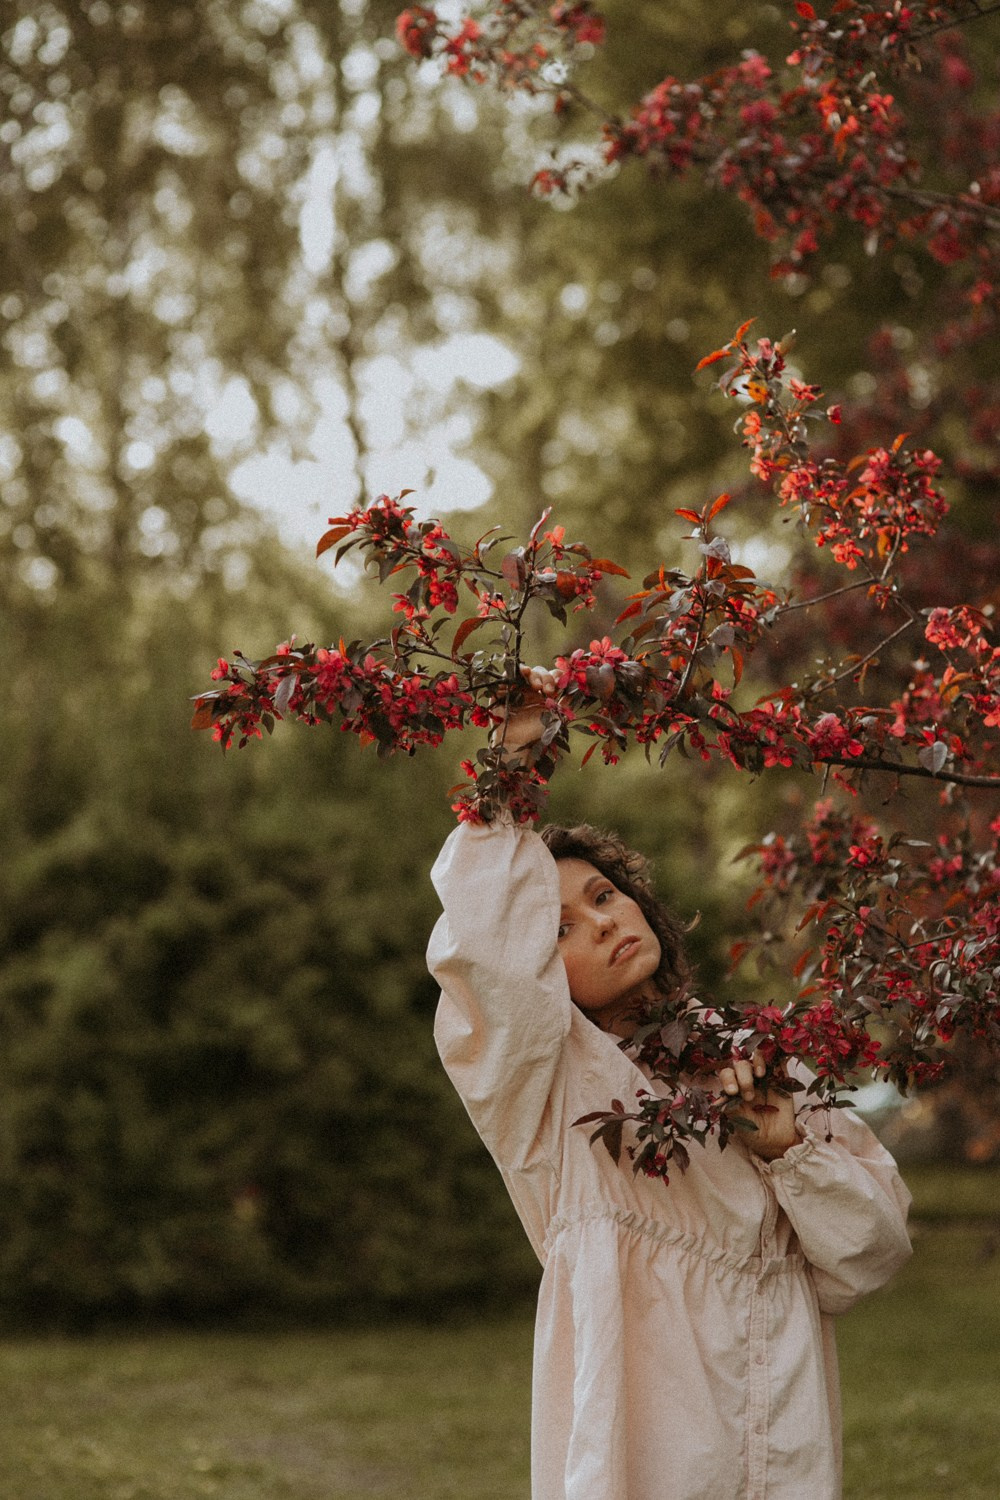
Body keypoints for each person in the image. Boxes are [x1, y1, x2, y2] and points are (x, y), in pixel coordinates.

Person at [426, 667, 913, 1500]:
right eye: (561, 927)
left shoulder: (758, 1060)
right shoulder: (544, 1087)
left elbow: (868, 1257)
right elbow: (486, 950)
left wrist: (788, 1150)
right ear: (538, 967)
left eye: (605, 895)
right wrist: (506, 770)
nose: (605, 920)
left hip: (782, 1416)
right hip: (646, 1433)